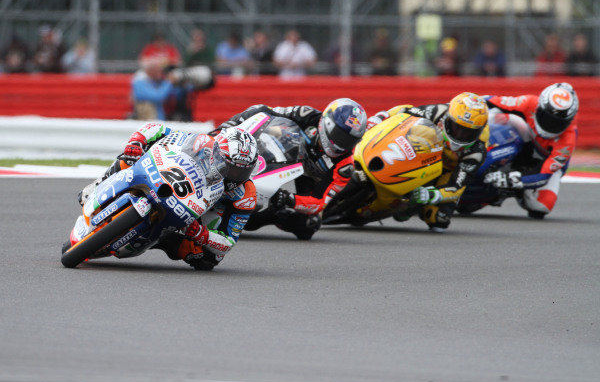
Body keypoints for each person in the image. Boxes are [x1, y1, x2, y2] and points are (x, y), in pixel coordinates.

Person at [76, 123, 258, 270]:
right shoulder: (202, 145)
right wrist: (136, 142)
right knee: (129, 158)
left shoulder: (245, 194)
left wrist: (201, 234)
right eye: (231, 167)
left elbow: (228, 242)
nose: (234, 174)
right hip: (174, 183)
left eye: (241, 171)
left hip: (198, 217)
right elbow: (159, 130)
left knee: (209, 259)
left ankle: (160, 239)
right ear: (217, 154)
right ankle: (97, 186)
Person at [215, 98, 368, 239]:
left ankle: (259, 217)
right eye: (340, 136)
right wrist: (233, 124)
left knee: (308, 225)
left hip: (309, 177)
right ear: (327, 123)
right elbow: (263, 111)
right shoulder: (307, 115)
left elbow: (318, 202)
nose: (342, 145)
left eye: (350, 141)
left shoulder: (345, 166)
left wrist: (288, 199)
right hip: (285, 150)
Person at [366, 92, 489, 231]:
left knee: (438, 220)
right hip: (425, 152)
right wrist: (380, 117)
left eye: (468, 133)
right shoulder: (439, 112)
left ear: (479, 131)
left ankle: (412, 205)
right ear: (448, 119)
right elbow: (405, 110)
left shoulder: (477, 151)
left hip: (448, 170)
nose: (460, 135)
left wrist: (433, 194)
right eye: (456, 128)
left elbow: (457, 187)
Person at [484, 83, 578, 218]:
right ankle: (485, 150)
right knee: (498, 115)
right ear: (540, 107)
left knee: (541, 206)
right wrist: (460, 106)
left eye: (557, 122)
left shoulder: (568, 139)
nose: (550, 125)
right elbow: (491, 100)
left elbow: (543, 175)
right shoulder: (529, 102)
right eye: (547, 118)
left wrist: (514, 180)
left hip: (544, 164)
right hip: (526, 140)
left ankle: (517, 192)